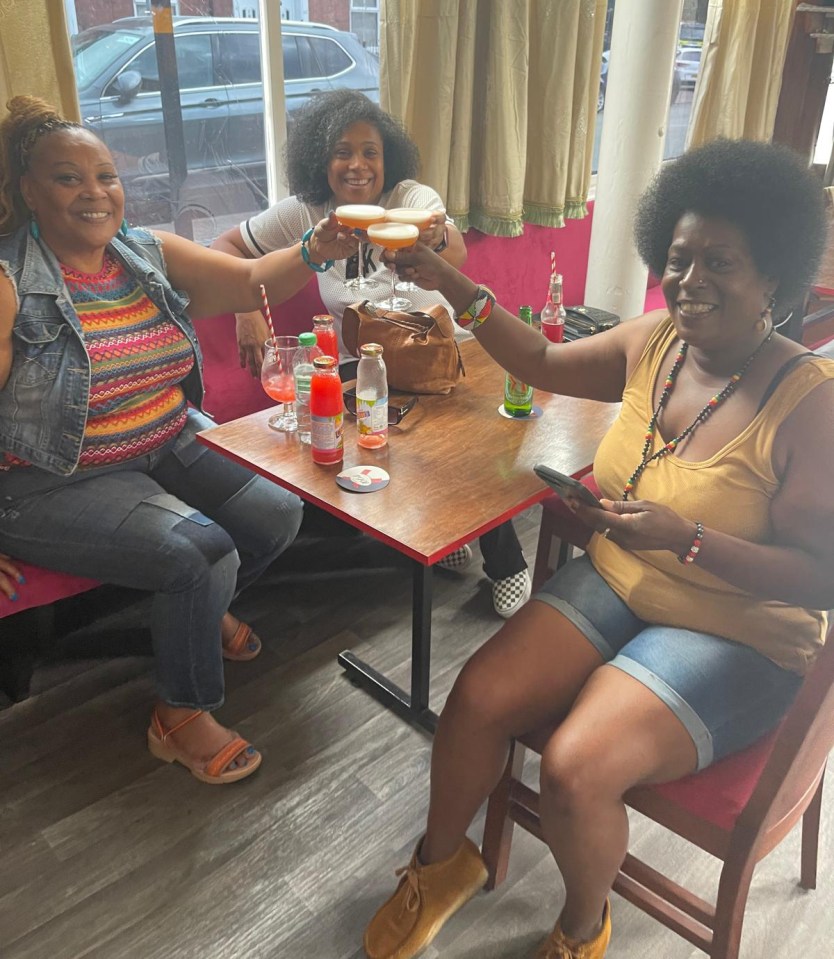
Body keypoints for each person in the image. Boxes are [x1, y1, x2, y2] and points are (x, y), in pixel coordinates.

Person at [362, 138, 834, 959]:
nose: (691, 280)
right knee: (476, 696)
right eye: (679, 257)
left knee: (576, 768)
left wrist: (687, 539)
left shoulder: (807, 406)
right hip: (620, 578)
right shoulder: (653, 342)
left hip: (741, 629)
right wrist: (453, 285)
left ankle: (583, 929)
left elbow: (821, 578)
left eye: (720, 262)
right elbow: (540, 358)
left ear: (774, 279)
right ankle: (438, 867)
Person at [0, 96, 355, 784]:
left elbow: (251, 280)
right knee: (201, 549)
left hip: (162, 440)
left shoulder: (144, 252)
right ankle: (180, 714)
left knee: (278, 512)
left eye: (106, 175)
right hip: (50, 476)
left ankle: (201, 611)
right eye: (68, 178)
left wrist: (317, 247)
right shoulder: (10, 281)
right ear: (27, 192)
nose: (95, 193)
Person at [212, 89, 532, 619]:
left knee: (462, 447)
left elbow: (453, 247)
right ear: (322, 158)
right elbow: (228, 249)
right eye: (343, 151)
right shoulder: (307, 214)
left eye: (370, 152)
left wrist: (431, 238)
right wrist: (246, 310)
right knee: (351, 429)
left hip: (436, 353)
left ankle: (508, 562)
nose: (357, 165)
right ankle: (438, 531)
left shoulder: (411, 199)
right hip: (365, 361)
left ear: (389, 160)